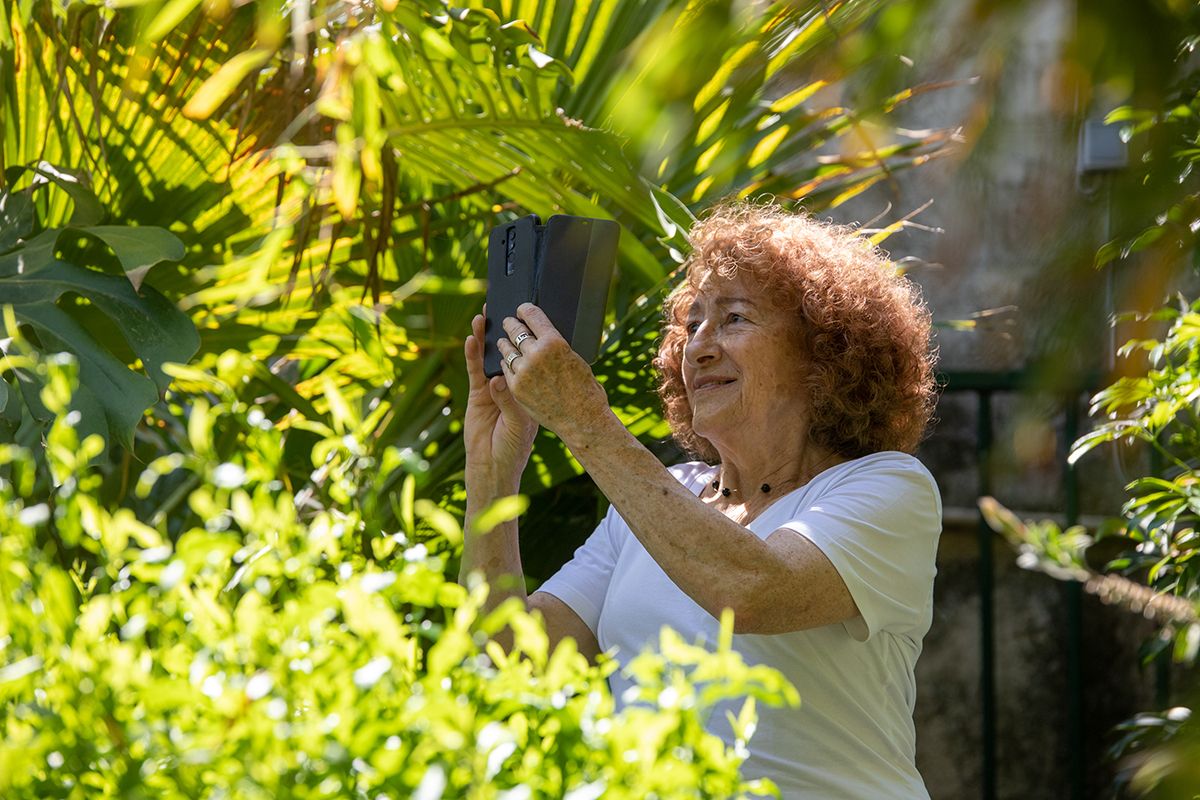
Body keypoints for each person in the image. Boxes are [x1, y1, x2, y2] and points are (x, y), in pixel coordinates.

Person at [460, 201, 942, 799]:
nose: (699, 347)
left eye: (734, 319)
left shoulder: (886, 487)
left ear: (826, 347)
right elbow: (512, 655)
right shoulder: (661, 501)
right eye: (691, 325)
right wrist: (490, 471)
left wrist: (584, 419)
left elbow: (753, 591)